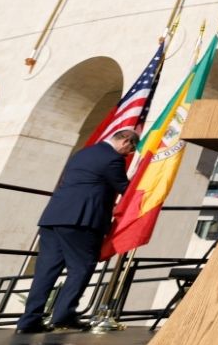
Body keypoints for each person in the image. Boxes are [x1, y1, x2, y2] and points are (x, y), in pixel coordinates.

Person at [16, 128, 139, 334]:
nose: (129, 153)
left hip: (54, 217)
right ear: (125, 141)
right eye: (131, 148)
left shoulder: (83, 153)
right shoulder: (113, 159)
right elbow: (125, 190)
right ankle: (64, 315)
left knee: (45, 271)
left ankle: (29, 320)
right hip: (81, 221)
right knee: (81, 267)